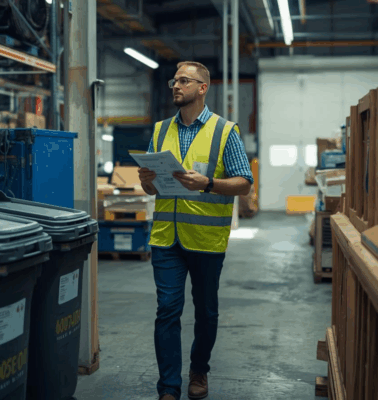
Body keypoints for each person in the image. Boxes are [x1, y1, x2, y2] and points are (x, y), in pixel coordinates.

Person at [138, 61, 254, 400]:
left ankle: (199, 369)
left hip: (206, 239)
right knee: (167, 310)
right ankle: (169, 387)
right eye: (174, 80)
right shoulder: (160, 130)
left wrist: (209, 183)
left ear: (202, 88)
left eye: (184, 81)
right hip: (166, 238)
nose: (176, 85)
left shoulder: (225, 131)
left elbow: (244, 183)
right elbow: (151, 190)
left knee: (206, 312)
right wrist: (147, 182)